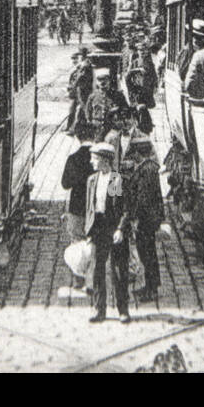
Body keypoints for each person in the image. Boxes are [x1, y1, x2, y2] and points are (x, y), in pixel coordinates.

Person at [84, 141, 129, 323]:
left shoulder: (115, 180)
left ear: (104, 160)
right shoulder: (92, 180)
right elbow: (90, 207)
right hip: (98, 227)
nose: (91, 162)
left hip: (112, 226)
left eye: (94, 158)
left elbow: (123, 208)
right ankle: (99, 309)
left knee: (118, 269)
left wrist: (120, 229)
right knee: (97, 269)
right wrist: (88, 231)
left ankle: (123, 310)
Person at [125, 134, 164, 304]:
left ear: (138, 153)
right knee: (148, 253)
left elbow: (143, 198)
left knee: (147, 254)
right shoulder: (149, 167)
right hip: (149, 218)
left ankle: (151, 289)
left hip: (145, 220)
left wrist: (135, 219)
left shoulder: (146, 170)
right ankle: (151, 286)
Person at [59, 129, 94, 292]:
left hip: (76, 206)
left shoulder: (73, 158)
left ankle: (78, 278)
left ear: (78, 138)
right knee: (93, 243)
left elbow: (65, 184)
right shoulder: (100, 157)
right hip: (95, 208)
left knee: (76, 242)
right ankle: (92, 280)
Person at [65, 48, 93, 134]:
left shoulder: (85, 65)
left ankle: (74, 128)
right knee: (75, 109)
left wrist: (73, 87)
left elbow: (79, 78)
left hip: (82, 90)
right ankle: (71, 127)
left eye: (80, 55)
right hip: (79, 90)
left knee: (79, 109)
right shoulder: (84, 64)